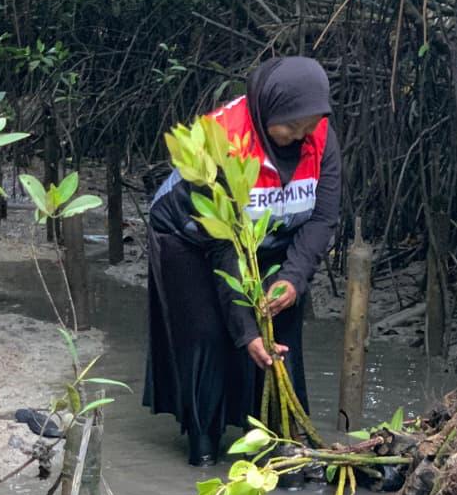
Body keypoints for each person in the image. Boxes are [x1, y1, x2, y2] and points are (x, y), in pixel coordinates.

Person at [143, 57, 340, 466]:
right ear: (268, 108)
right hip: (190, 238)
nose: (299, 137)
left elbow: (322, 218)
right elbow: (223, 245)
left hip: (268, 237)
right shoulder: (223, 140)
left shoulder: (319, 136)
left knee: (281, 336)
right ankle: (203, 445)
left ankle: (277, 439)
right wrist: (245, 330)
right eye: (291, 128)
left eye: (308, 127)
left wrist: (293, 278)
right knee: (210, 336)